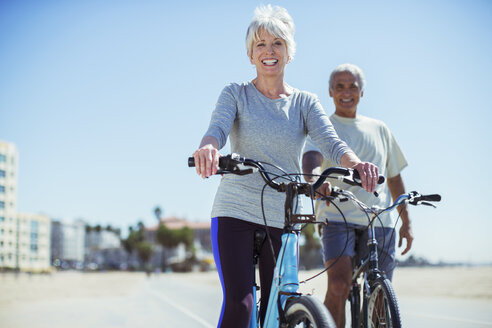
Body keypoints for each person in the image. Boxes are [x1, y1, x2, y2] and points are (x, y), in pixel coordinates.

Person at [192, 6, 379, 328]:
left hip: (283, 214)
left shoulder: (305, 102)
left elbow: (332, 142)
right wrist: (208, 147)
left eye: (277, 43)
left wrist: (356, 164)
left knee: (280, 305)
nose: (269, 51)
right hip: (235, 210)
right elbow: (217, 130)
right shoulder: (235, 94)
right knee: (241, 304)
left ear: (289, 53)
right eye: (260, 44)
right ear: (250, 54)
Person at [302, 63, 412, 327]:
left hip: (380, 219)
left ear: (362, 92)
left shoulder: (380, 129)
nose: (346, 92)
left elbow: (394, 177)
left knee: (379, 292)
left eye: (352, 86)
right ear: (330, 91)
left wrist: (406, 221)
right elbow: (311, 160)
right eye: (340, 86)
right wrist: (316, 180)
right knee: (339, 285)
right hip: (337, 215)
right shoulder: (324, 126)